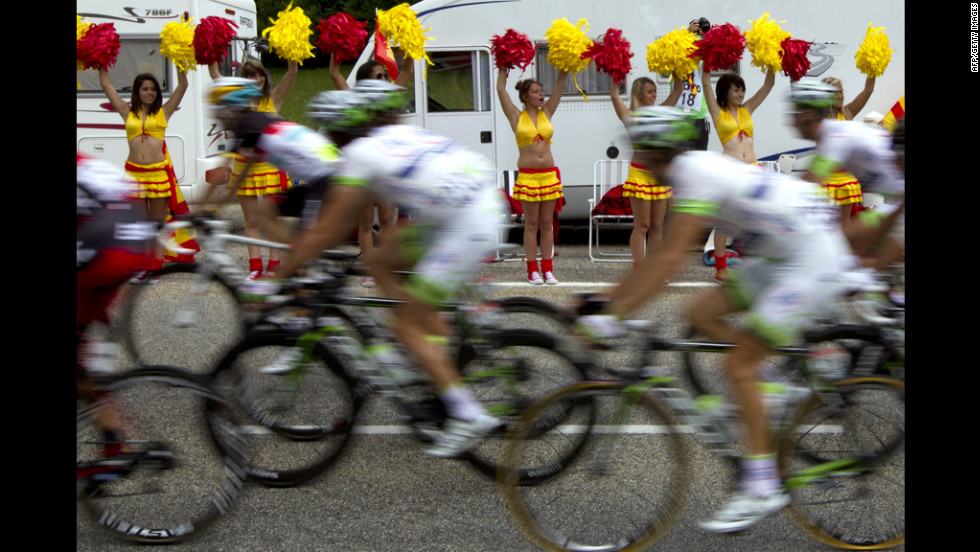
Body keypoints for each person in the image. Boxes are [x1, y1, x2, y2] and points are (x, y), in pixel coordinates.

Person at [576, 105, 864, 533]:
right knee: (698, 312)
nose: (640, 159)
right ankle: (770, 389)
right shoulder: (687, 170)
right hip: (783, 250)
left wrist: (613, 313)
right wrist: (603, 303)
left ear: (659, 153)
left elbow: (669, 261)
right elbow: (658, 262)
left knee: (737, 363)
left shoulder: (694, 174)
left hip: (808, 258)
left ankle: (763, 484)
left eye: (644, 151)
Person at [246, 80, 506, 458]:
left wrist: (277, 281)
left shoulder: (360, 155)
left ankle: (467, 413)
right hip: (459, 210)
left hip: (466, 223)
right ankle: (420, 348)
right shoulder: (394, 135)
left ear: (339, 133)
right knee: (379, 259)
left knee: (405, 323)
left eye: (329, 133)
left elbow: (328, 231)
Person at [77, 152, 156, 460]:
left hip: (103, 244)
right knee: (81, 360)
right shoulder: (83, 160)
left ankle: (113, 443)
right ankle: (112, 445)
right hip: (133, 239)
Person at [201, 78, 342, 250]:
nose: (214, 115)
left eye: (217, 109)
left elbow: (220, 174)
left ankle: (302, 260)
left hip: (328, 178)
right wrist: (213, 208)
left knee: (300, 254)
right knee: (264, 211)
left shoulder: (246, 128)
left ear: (230, 108)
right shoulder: (257, 122)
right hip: (324, 176)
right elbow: (242, 174)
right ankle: (302, 259)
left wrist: (200, 210)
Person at [788, 80, 905, 270]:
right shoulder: (834, 134)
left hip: (898, 203)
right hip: (897, 203)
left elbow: (806, 187)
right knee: (849, 256)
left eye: (795, 115)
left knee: (845, 254)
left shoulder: (836, 136)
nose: (791, 123)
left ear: (809, 115)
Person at [328, 53, 415, 287]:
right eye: (380, 75)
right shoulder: (353, 100)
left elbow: (407, 72)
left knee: (387, 218)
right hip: (363, 169)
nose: (385, 78)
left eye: (385, 75)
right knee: (366, 222)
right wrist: (336, 48)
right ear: (366, 80)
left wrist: (410, 48)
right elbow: (334, 74)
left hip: (384, 167)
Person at [209, 58, 298, 279]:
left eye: (260, 74)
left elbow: (293, 72)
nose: (257, 79)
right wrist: (210, 50)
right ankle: (255, 267)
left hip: (269, 168)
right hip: (243, 167)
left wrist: (292, 49)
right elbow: (215, 75)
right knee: (251, 221)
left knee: (272, 218)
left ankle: (275, 265)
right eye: (251, 75)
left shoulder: (273, 98)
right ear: (243, 80)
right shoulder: (236, 101)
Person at [98, 67, 191, 279]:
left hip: (157, 173)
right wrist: (101, 61)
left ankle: (155, 269)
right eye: (145, 89)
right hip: (133, 174)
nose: (149, 93)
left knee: (157, 223)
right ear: (137, 91)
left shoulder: (164, 111)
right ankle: (141, 265)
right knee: (138, 224)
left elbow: (183, 85)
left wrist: (180, 62)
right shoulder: (126, 111)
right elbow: (106, 85)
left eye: (153, 89)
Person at [701, 67, 776, 281]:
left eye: (742, 90)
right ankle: (721, 268)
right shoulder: (717, 111)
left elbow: (768, 85)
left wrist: (771, 63)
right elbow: (706, 81)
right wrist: (707, 53)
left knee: (761, 218)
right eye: (736, 90)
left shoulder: (748, 108)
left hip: (753, 169)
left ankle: (760, 263)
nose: (740, 94)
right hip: (730, 171)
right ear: (725, 92)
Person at [496, 66, 569, 285]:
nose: (541, 94)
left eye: (541, 91)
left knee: (547, 224)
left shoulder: (547, 113)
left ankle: (547, 269)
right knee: (531, 224)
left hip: (549, 176)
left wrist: (565, 66)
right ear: (525, 96)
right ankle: (532, 270)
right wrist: (502, 67)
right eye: (536, 91)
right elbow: (501, 90)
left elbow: (559, 86)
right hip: (528, 177)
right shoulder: (516, 117)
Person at [609, 77, 683, 267]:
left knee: (658, 226)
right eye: (649, 91)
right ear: (639, 92)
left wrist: (677, 69)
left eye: (654, 91)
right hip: (639, 174)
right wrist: (616, 71)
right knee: (643, 225)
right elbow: (614, 95)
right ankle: (638, 268)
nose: (654, 95)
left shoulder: (660, 112)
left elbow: (677, 91)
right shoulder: (630, 116)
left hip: (658, 176)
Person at [816, 76, 879, 227]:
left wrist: (873, 69)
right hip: (826, 180)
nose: (839, 96)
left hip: (846, 180)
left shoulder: (847, 113)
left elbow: (868, 91)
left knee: (843, 227)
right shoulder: (817, 118)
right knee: (825, 227)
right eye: (834, 92)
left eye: (841, 91)